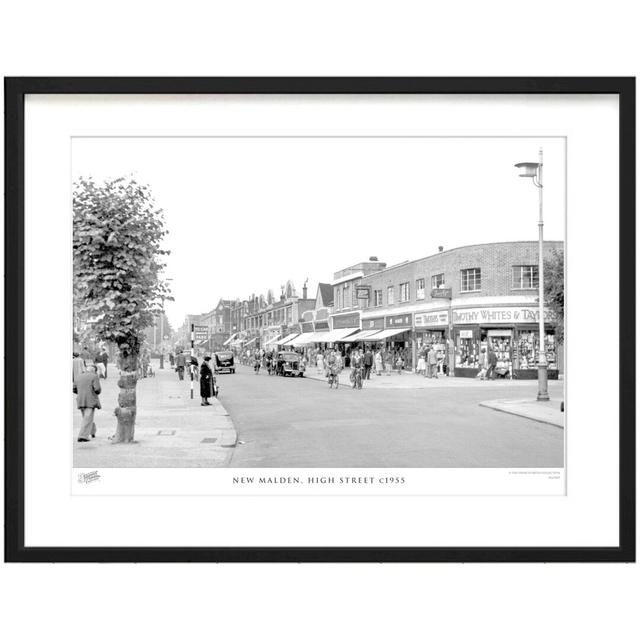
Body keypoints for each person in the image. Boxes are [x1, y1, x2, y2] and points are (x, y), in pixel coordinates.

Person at [74, 364, 101, 442]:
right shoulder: (94, 376)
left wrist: (81, 393)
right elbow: (97, 389)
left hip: (80, 400)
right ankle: (83, 436)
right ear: (94, 371)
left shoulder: (78, 376)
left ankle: (92, 431)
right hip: (90, 399)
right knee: (87, 417)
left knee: (86, 417)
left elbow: (74, 389)